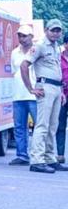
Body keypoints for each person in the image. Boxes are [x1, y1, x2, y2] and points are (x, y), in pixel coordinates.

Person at [20, 19, 68, 174]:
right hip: (45, 87)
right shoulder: (40, 45)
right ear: (46, 30)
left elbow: (57, 70)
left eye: (58, 30)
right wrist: (30, 88)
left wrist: (61, 91)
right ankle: (37, 160)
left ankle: (49, 158)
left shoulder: (55, 47)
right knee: (42, 125)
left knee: (53, 125)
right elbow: (24, 65)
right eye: (53, 30)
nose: (55, 33)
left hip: (56, 87)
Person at [9, 24, 37, 166]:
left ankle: (38, 155)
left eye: (25, 35)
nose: (22, 38)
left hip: (34, 96)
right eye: (20, 35)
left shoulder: (37, 51)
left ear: (32, 36)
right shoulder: (15, 52)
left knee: (38, 126)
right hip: (18, 95)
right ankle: (22, 155)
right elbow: (15, 71)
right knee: (19, 127)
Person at [56, 34, 68, 164]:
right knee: (61, 125)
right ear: (65, 44)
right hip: (62, 95)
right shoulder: (58, 58)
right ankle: (60, 154)